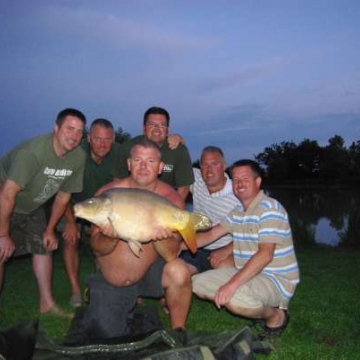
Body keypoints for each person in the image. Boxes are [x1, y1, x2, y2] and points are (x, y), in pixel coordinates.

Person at [81, 138, 192, 338]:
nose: (143, 166)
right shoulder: (107, 195)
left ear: (160, 167)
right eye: (138, 160)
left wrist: (160, 237)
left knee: (179, 270)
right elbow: (96, 248)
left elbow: (170, 255)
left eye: (150, 161)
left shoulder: (171, 199)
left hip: (150, 273)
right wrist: (110, 237)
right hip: (113, 278)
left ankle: (179, 330)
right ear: (129, 164)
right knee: (105, 332)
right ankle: (98, 292)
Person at [191, 159, 300, 338]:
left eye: (245, 178)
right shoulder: (238, 211)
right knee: (197, 283)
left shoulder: (270, 208)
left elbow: (265, 254)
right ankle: (253, 303)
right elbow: (210, 235)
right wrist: (180, 245)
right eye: (235, 179)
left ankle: (276, 316)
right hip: (249, 272)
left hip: (275, 279)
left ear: (258, 182)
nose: (239, 183)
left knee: (233, 298)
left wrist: (231, 285)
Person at [0, 108, 87, 318]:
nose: (74, 136)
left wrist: (50, 230)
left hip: (33, 206)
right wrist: (3, 235)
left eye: (79, 131)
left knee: (43, 246)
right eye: (69, 128)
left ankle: (46, 304)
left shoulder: (78, 157)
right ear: (56, 128)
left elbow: (63, 197)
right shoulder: (33, 152)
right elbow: (7, 194)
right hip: (3, 200)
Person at [60, 118, 126, 307]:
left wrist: (176, 141)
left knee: (106, 240)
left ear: (113, 138)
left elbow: (120, 185)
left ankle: (103, 283)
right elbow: (62, 192)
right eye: (97, 139)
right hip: (72, 205)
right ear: (88, 137)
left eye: (107, 139)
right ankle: (75, 291)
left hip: (103, 209)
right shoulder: (75, 153)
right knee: (70, 239)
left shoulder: (118, 152)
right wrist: (71, 223)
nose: (102, 144)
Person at [181, 146, 240, 275]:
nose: (209, 170)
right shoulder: (196, 179)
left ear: (224, 166)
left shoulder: (237, 194)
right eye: (205, 165)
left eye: (214, 164)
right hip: (198, 246)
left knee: (223, 270)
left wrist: (228, 250)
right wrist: (176, 145)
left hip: (228, 249)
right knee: (177, 271)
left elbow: (252, 231)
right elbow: (167, 168)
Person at [118, 106, 194, 200]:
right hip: (132, 202)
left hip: (166, 203)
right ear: (144, 128)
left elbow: (184, 188)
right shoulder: (127, 148)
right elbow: (117, 182)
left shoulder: (179, 150)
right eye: (151, 124)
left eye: (162, 125)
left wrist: (172, 210)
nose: (157, 129)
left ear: (167, 130)